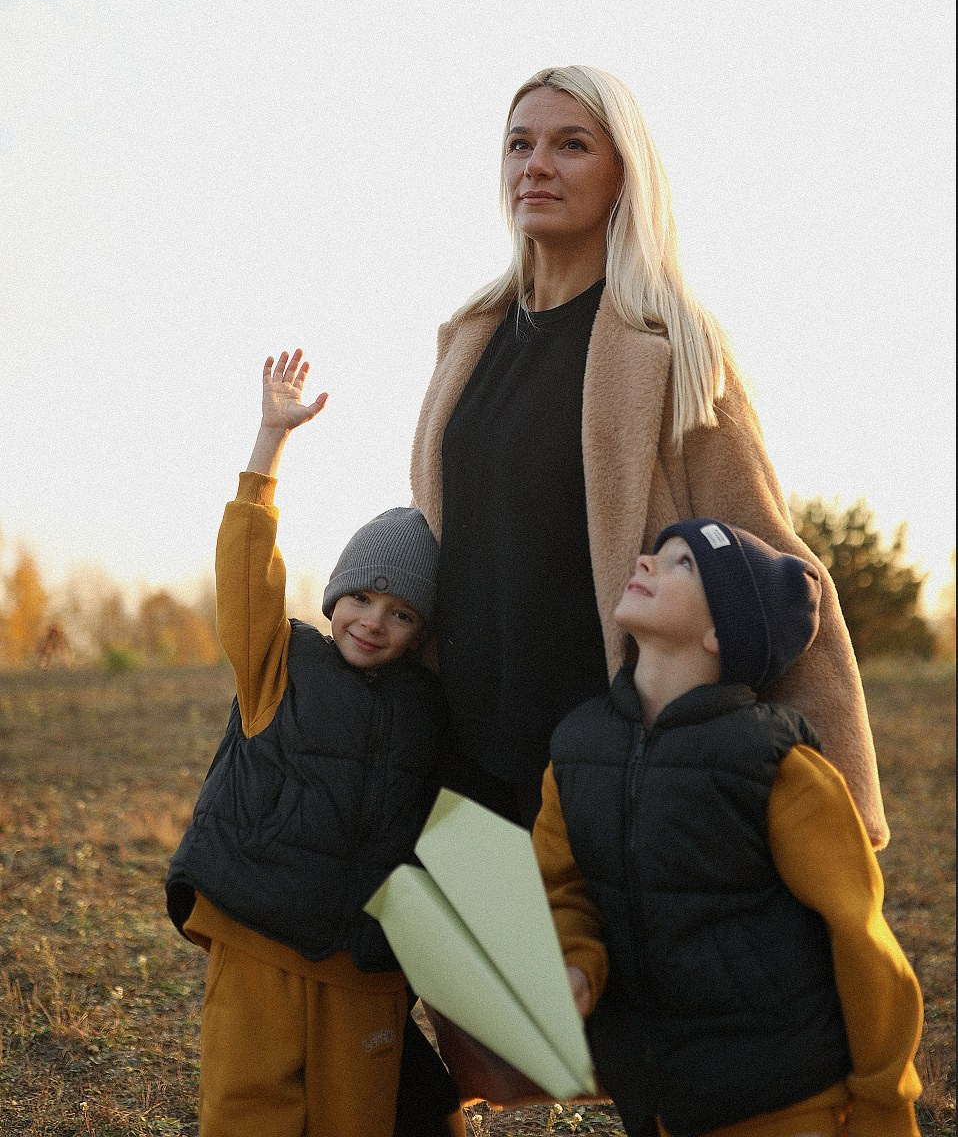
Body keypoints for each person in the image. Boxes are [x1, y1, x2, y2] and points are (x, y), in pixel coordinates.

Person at [411, 64, 887, 849]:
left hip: (613, 762)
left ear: (624, 175)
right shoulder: (468, 339)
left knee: (599, 977)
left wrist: (839, 810)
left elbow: (767, 557)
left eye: (571, 145)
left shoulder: (672, 349)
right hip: (463, 761)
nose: (535, 165)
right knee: (481, 974)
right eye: (519, 144)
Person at [532, 518, 923, 1137]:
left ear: (722, 632)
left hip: (786, 1104)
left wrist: (883, 1104)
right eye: (655, 554)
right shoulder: (579, 746)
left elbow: (861, 939)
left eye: (682, 562)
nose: (644, 564)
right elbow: (559, 887)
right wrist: (577, 962)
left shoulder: (775, 764)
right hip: (656, 1102)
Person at [165, 349, 462, 1137]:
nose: (373, 620)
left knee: (358, 1121)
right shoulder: (281, 662)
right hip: (258, 938)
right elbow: (246, 569)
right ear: (335, 597)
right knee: (247, 1114)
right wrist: (270, 445)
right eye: (362, 597)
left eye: (401, 613)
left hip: (363, 965)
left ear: (422, 631)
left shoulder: (432, 708)